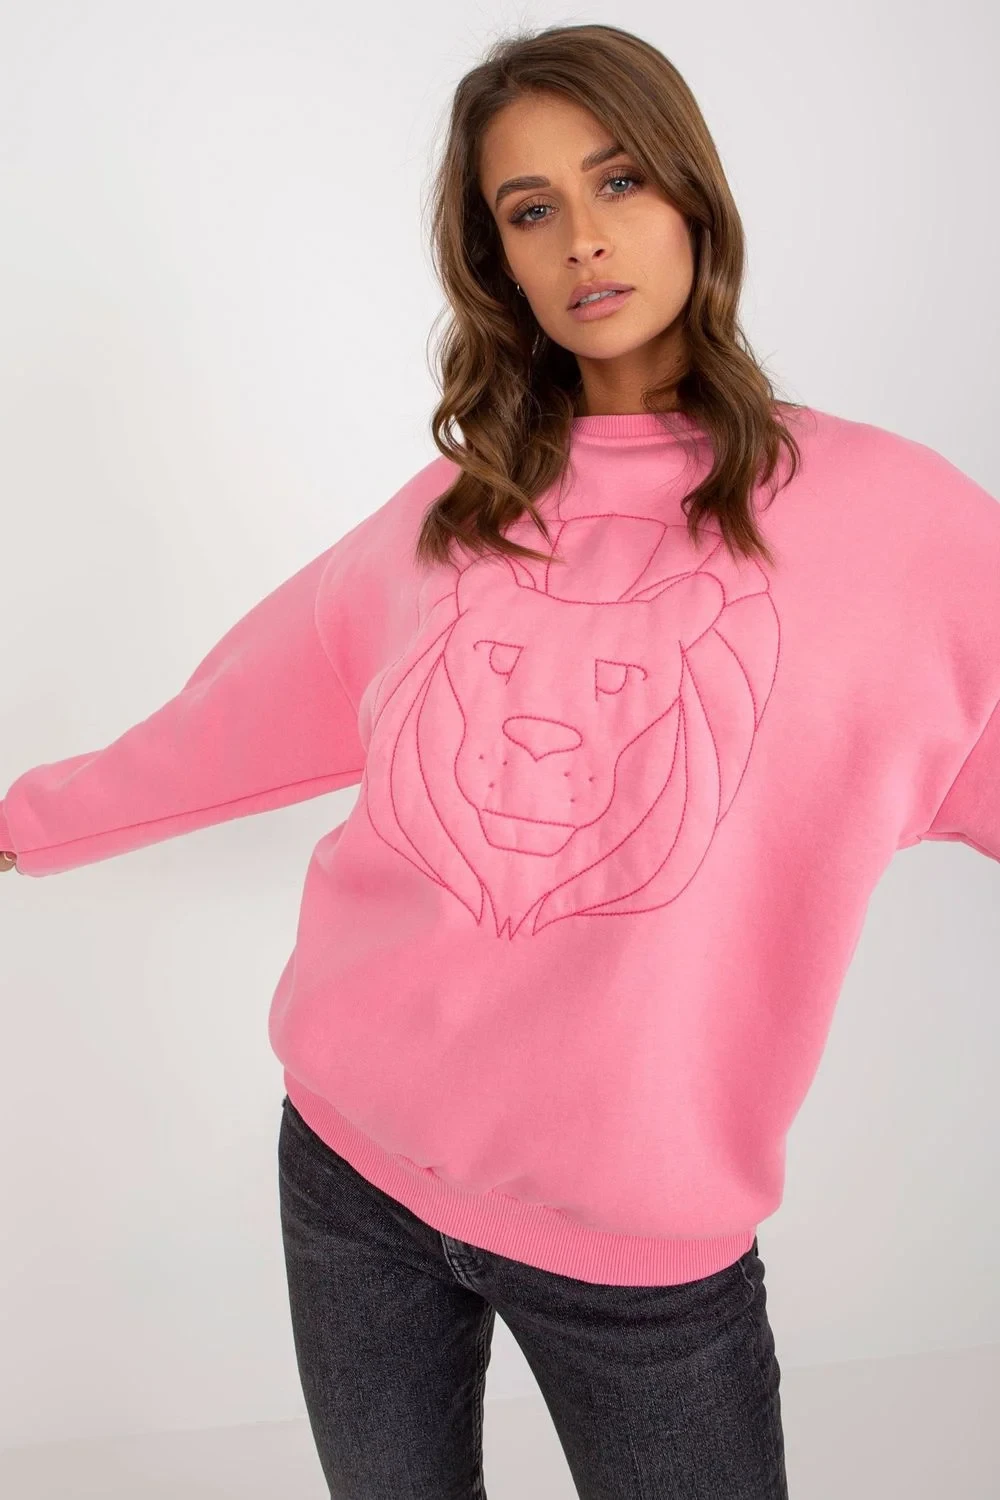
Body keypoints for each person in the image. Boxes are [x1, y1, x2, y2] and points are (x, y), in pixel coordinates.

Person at [3, 20, 999, 1500]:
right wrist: (25, 823)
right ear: (499, 261)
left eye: (619, 181)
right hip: (350, 1172)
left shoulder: (900, 528)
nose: (583, 237)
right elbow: (232, 714)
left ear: (694, 198)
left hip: (642, 1256)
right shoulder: (454, 512)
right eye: (531, 209)